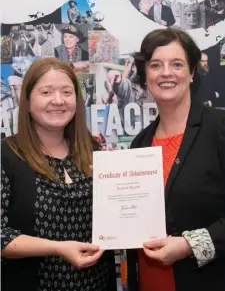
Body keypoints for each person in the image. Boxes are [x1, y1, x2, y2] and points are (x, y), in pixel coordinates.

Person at [1, 57, 117, 291]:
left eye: (66, 92)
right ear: (27, 100)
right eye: (46, 92)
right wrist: (56, 247)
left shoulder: (93, 151)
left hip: (98, 283)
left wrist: (120, 185)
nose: (58, 100)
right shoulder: (7, 155)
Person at [126, 28, 225, 291]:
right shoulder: (139, 144)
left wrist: (190, 245)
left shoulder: (219, 128)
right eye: (155, 65)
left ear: (192, 72)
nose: (166, 73)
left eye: (177, 64)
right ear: (145, 75)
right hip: (150, 282)